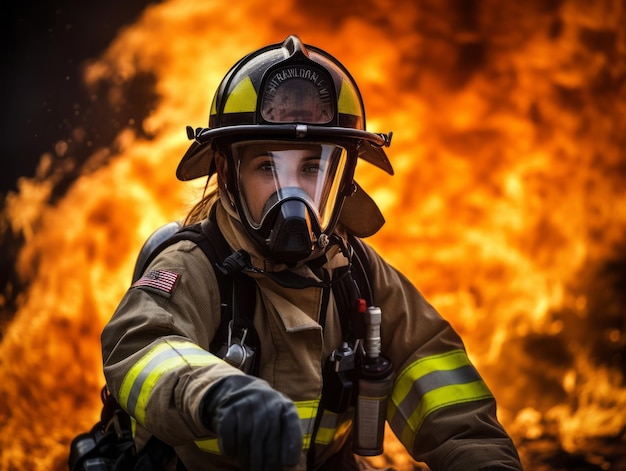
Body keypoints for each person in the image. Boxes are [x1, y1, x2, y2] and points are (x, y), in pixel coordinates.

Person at [101, 35, 524, 471]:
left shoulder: (357, 273)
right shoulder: (195, 266)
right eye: (267, 167)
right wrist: (216, 393)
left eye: (312, 167)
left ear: (343, 179)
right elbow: (140, 344)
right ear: (228, 173)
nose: (293, 194)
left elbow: (440, 387)